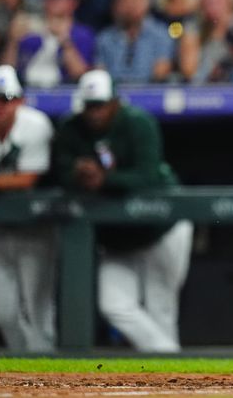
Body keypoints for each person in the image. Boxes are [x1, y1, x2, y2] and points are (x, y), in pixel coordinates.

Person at [53, 69, 193, 352]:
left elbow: (147, 176)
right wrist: (77, 174)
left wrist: (104, 180)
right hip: (118, 239)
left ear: (115, 102)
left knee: (161, 308)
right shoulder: (71, 128)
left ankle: (171, 380)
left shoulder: (137, 123)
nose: (94, 112)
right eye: (89, 105)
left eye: (100, 105)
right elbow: (58, 173)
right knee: (112, 304)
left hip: (161, 228)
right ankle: (169, 357)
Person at [0, 65, 55, 352]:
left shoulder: (35, 124)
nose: (1, 105)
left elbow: (27, 179)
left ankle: (50, 379)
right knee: (3, 312)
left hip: (35, 227)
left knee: (37, 311)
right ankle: (23, 375)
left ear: (20, 100)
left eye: (8, 98)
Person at [95, 0, 175, 83]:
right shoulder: (105, 39)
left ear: (147, 2)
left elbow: (160, 73)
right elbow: (100, 74)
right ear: (115, 5)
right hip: (114, 95)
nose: (131, 5)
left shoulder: (161, 35)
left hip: (149, 94)